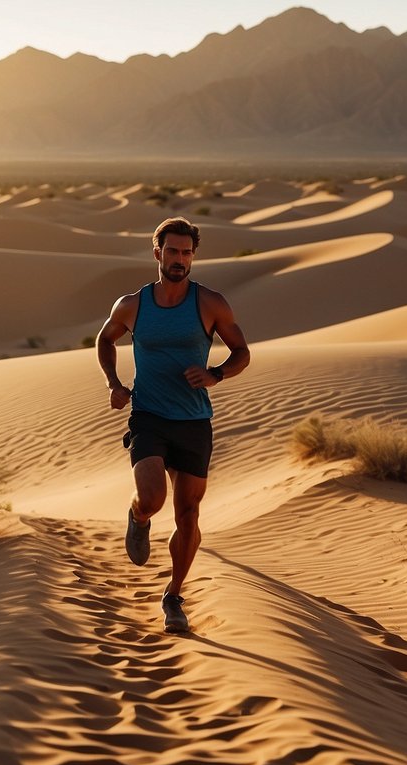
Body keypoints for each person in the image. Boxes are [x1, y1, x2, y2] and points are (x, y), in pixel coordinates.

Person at [96, 217, 250, 633]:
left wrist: (216, 374)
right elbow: (105, 339)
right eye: (173, 251)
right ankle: (138, 516)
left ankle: (173, 595)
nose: (180, 259)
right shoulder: (133, 305)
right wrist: (114, 383)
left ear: (193, 256)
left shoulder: (210, 303)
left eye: (187, 253)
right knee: (152, 498)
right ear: (157, 253)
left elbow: (241, 352)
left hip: (194, 421)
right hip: (148, 415)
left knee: (189, 515)